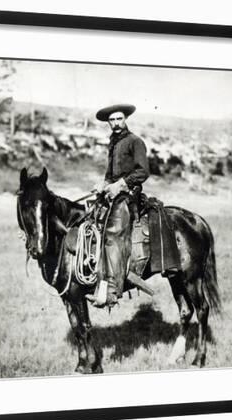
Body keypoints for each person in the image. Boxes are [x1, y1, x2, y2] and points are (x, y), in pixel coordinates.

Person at [91, 104, 149, 307]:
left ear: (125, 119)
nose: (115, 123)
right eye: (112, 120)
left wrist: (121, 184)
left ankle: (114, 290)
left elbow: (143, 172)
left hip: (129, 196)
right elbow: (109, 175)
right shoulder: (113, 144)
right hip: (114, 194)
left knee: (113, 233)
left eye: (119, 119)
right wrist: (103, 185)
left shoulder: (135, 141)